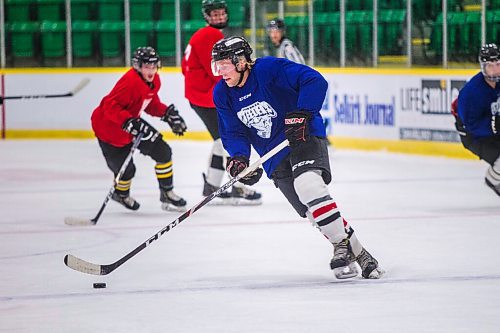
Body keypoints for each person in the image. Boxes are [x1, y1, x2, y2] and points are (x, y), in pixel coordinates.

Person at [211, 36, 384, 279]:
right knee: (312, 211)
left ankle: (340, 247)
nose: (220, 72)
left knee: (308, 185)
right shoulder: (222, 93)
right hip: (273, 156)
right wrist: (239, 158)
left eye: (224, 65)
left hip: (303, 136)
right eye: (217, 66)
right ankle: (362, 254)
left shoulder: (269, 69)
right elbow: (233, 131)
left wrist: (302, 113)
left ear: (241, 61)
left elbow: (313, 80)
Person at [181, 0, 262, 205]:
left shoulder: (201, 35)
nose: (218, 17)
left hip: (200, 97)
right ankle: (237, 187)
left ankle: (212, 187)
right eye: (214, 14)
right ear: (207, 17)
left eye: (221, 13)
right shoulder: (211, 36)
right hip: (206, 98)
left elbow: (186, 68)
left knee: (220, 141)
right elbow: (220, 72)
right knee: (225, 141)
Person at [91, 46, 188, 212]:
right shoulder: (129, 82)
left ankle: (167, 192)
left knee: (163, 152)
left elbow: (150, 104)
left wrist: (167, 114)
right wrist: (127, 121)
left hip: (132, 124)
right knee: (127, 171)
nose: (151, 70)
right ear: (138, 66)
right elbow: (109, 106)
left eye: (154, 66)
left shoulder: (154, 81)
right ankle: (120, 194)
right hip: (109, 129)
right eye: (146, 67)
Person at [452, 43, 500, 197]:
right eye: (490, 66)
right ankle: (493, 179)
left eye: (498, 65)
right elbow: (470, 125)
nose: (494, 70)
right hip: (474, 137)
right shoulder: (472, 92)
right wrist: (494, 126)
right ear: (483, 66)